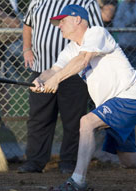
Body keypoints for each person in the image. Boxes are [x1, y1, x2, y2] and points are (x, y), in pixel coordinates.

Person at [29, 4, 136, 191]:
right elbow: (53, 70)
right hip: (113, 103)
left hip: (128, 96)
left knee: (86, 122)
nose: (59, 25)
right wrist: (40, 79)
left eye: (62, 21)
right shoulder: (70, 49)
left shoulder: (96, 33)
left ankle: (78, 180)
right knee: (129, 159)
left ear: (77, 19)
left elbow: (83, 60)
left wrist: (56, 79)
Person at [18, 0, 103, 174]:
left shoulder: (86, 2)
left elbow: (94, 32)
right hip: (43, 69)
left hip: (74, 72)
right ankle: (35, 161)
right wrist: (27, 48)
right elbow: (28, 25)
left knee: (73, 119)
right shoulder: (37, 1)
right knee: (39, 117)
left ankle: (69, 161)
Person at [112, 0, 136, 78]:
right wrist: (130, 24)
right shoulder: (123, 4)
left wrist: (126, 22)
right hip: (123, 47)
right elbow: (116, 23)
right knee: (124, 74)